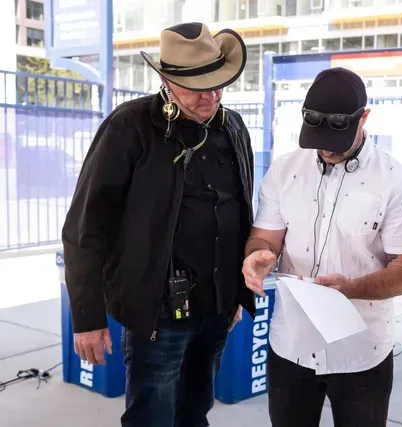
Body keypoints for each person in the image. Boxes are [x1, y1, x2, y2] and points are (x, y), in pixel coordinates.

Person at [61, 23, 256, 427]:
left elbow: (242, 210)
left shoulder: (234, 126)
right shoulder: (129, 126)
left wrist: (236, 292)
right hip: (159, 312)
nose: (211, 96)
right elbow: (86, 227)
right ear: (166, 80)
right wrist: (87, 318)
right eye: (196, 87)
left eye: (217, 84)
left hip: (218, 307)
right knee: (151, 415)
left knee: (196, 411)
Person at [241, 67, 402, 427]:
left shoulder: (397, 183)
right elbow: (264, 237)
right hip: (290, 346)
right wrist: (257, 255)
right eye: (317, 137)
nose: (326, 148)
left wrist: (350, 289)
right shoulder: (284, 171)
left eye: (335, 139)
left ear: (364, 119)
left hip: (362, 351)